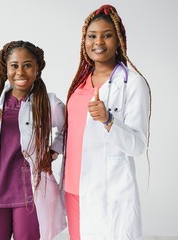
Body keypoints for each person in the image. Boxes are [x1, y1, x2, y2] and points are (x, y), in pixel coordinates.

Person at [63, 4, 151, 240]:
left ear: (118, 40)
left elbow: (139, 145)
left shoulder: (131, 83)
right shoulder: (80, 82)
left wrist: (109, 120)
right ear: (85, 41)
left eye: (106, 35)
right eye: (92, 36)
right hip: (73, 188)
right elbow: (74, 131)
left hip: (108, 190)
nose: (98, 42)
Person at [0, 40, 67, 240]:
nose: (20, 72)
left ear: (37, 69)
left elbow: (68, 130)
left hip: (29, 192)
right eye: (14, 66)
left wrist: (53, 152)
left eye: (27, 65)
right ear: (6, 69)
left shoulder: (48, 103)